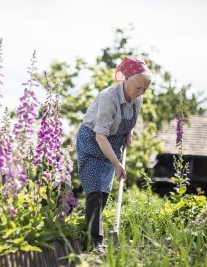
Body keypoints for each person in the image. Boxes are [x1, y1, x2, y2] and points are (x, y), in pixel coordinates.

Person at [76, 57, 152, 252]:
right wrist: (117, 164)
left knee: (104, 193)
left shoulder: (137, 99)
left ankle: (87, 237)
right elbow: (100, 135)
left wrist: (130, 133)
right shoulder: (108, 97)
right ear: (126, 79)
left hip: (113, 145)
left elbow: (130, 123)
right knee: (94, 193)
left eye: (145, 89)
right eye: (138, 87)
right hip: (93, 143)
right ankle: (96, 242)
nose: (140, 92)